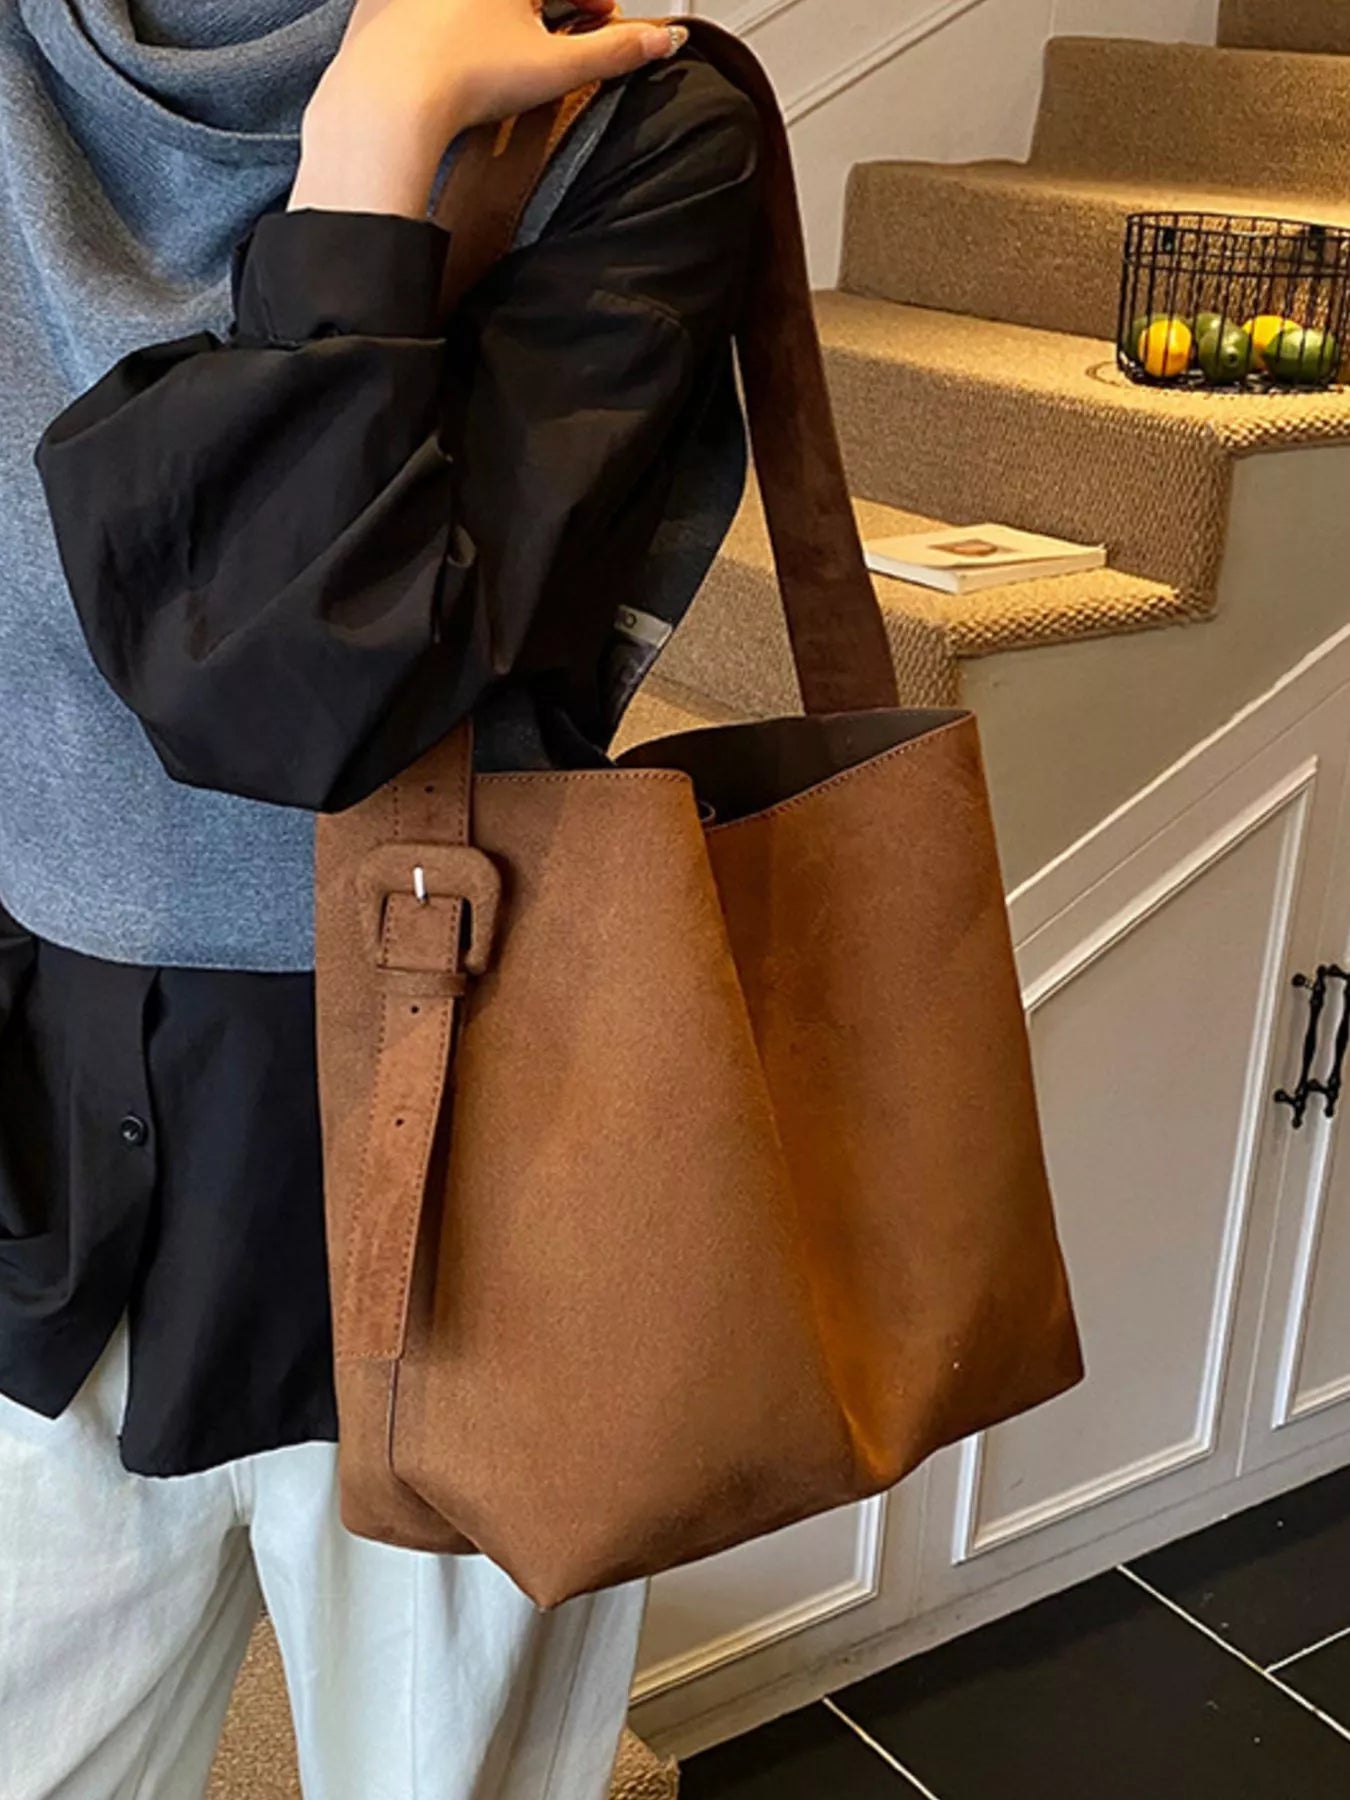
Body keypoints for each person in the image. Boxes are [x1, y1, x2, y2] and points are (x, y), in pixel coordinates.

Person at [0, 2, 762, 1794]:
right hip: (42, 1136)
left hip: (475, 1167)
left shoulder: (623, 118)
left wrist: (370, 155)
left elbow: (305, 692)